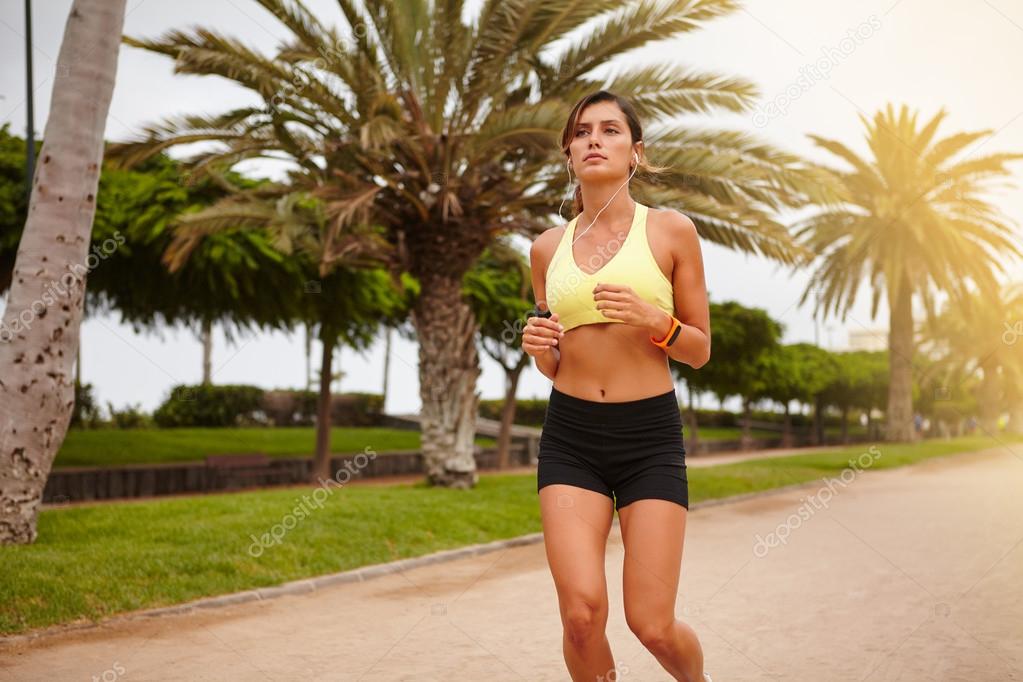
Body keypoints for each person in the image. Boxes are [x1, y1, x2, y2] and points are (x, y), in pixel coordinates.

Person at [522, 90, 713, 682]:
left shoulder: (672, 232)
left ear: (636, 151)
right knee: (581, 615)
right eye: (582, 132)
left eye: (609, 130)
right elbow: (555, 361)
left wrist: (659, 322)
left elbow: (700, 349)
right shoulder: (546, 249)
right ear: (569, 153)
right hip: (571, 438)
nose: (594, 140)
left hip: (648, 439)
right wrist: (541, 353)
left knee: (652, 624)